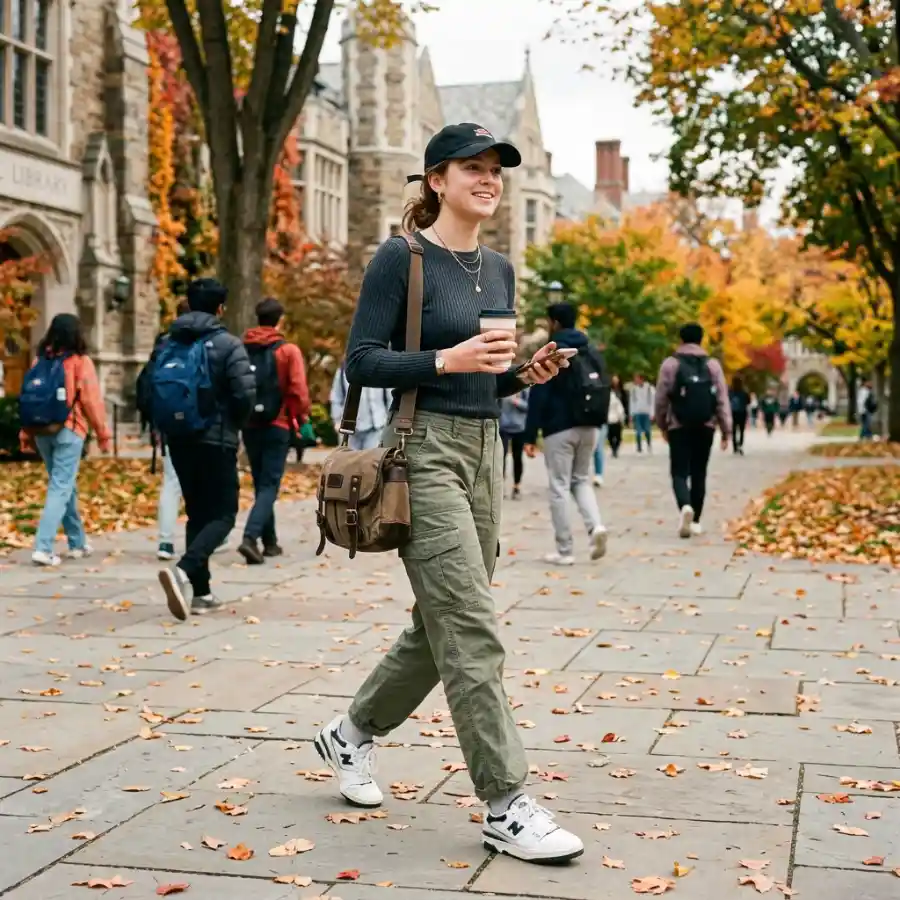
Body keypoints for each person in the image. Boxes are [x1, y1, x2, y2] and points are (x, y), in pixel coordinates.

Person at [312, 122, 584, 864]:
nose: (488, 178)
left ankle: (351, 733)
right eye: (472, 167)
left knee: (441, 621)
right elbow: (363, 361)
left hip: (482, 448)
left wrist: (521, 374)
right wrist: (445, 356)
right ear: (436, 180)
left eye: (496, 168)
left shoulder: (497, 268)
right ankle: (505, 801)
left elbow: (482, 375)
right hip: (420, 450)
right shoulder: (402, 259)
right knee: (470, 624)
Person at [154, 278, 255, 619]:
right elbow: (244, 394)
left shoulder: (167, 343)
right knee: (224, 514)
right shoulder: (227, 344)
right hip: (216, 438)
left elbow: (145, 389)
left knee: (197, 512)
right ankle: (183, 571)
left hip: (178, 439)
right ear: (220, 308)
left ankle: (202, 594)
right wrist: (236, 425)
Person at [18, 314, 111, 567]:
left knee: (63, 485)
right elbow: (91, 401)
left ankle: (77, 542)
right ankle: (43, 547)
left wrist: (26, 433)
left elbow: (29, 398)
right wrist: (103, 434)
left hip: (42, 432)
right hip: (69, 429)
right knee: (61, 486)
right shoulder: (80, 362)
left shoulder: (40, 360)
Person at [523, 302, 608, 566]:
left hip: (559, 428)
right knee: (581, 479)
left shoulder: (553, 351)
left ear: (554, 323)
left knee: (559, 486)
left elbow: (539, 392)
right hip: (590, 425)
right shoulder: (590, 350)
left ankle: (565, 550)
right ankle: (596, 527)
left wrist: (529, 435)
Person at [239, 297, 310, 564]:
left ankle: (270, 543)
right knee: (270, 484)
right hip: (277, 424)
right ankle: (250, 537)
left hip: (249, 425)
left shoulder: (243, 347)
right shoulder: (287, 350)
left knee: (261, 484)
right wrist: (301, 418)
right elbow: (298, 390)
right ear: (280, 320)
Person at [655, 323, 731, 538]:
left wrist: (662, 424)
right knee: (699, 472)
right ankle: (696, 520)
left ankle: (685, 506)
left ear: (681, 340)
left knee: (679, 472)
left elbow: (661, 398)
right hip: (705, 426)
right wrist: (726, 430)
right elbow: (721, 399)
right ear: (701, 339)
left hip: (679, 425)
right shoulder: (713, 366)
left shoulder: (670, 365)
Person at [330, 361, 391, 451]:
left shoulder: (381, 368)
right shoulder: (344, 369)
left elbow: (390, 397)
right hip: (348, 429)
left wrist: (389, 422)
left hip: (376, 427)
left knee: (371, 462)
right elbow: (336, 397)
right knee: (349, 462)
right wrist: (337, 420)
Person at [499, 388, 528, 499]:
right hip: (503, 427)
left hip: (519, 427)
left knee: (517, 457)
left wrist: (517, 402)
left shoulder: (524, 388)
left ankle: (517, 486)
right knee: (501, 457)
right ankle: (500, 486)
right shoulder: (503, 385)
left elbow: (529, 407)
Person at [629, 372, 655, 452]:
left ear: (641, 379)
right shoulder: (633, 389)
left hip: (646, 412)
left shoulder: (649, 388)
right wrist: (631, 414)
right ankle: (639, 447)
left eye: (637, 378)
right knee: (638, 431)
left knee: (647, 430)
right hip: (637, 412)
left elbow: (652, 401)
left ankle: (649, 443)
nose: (635, 380)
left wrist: (652, 413)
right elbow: (632, 402)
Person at [729, 376, 750, 455]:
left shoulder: (730, 392)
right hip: (742, 413)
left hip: (733, 413)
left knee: (733, 430)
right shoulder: (744, 392)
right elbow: (748, 401)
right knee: (741, 430)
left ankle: (734, 446)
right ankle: (740, 444)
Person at [606, 374, 626, 459]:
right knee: (610, 435)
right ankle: (613, 448)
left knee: (618, 435)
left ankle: (616, 448)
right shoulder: (608, 392)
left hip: (618, 416)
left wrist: (623, 417)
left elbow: (623, 404)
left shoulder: (622, 392)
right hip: (609, 417)